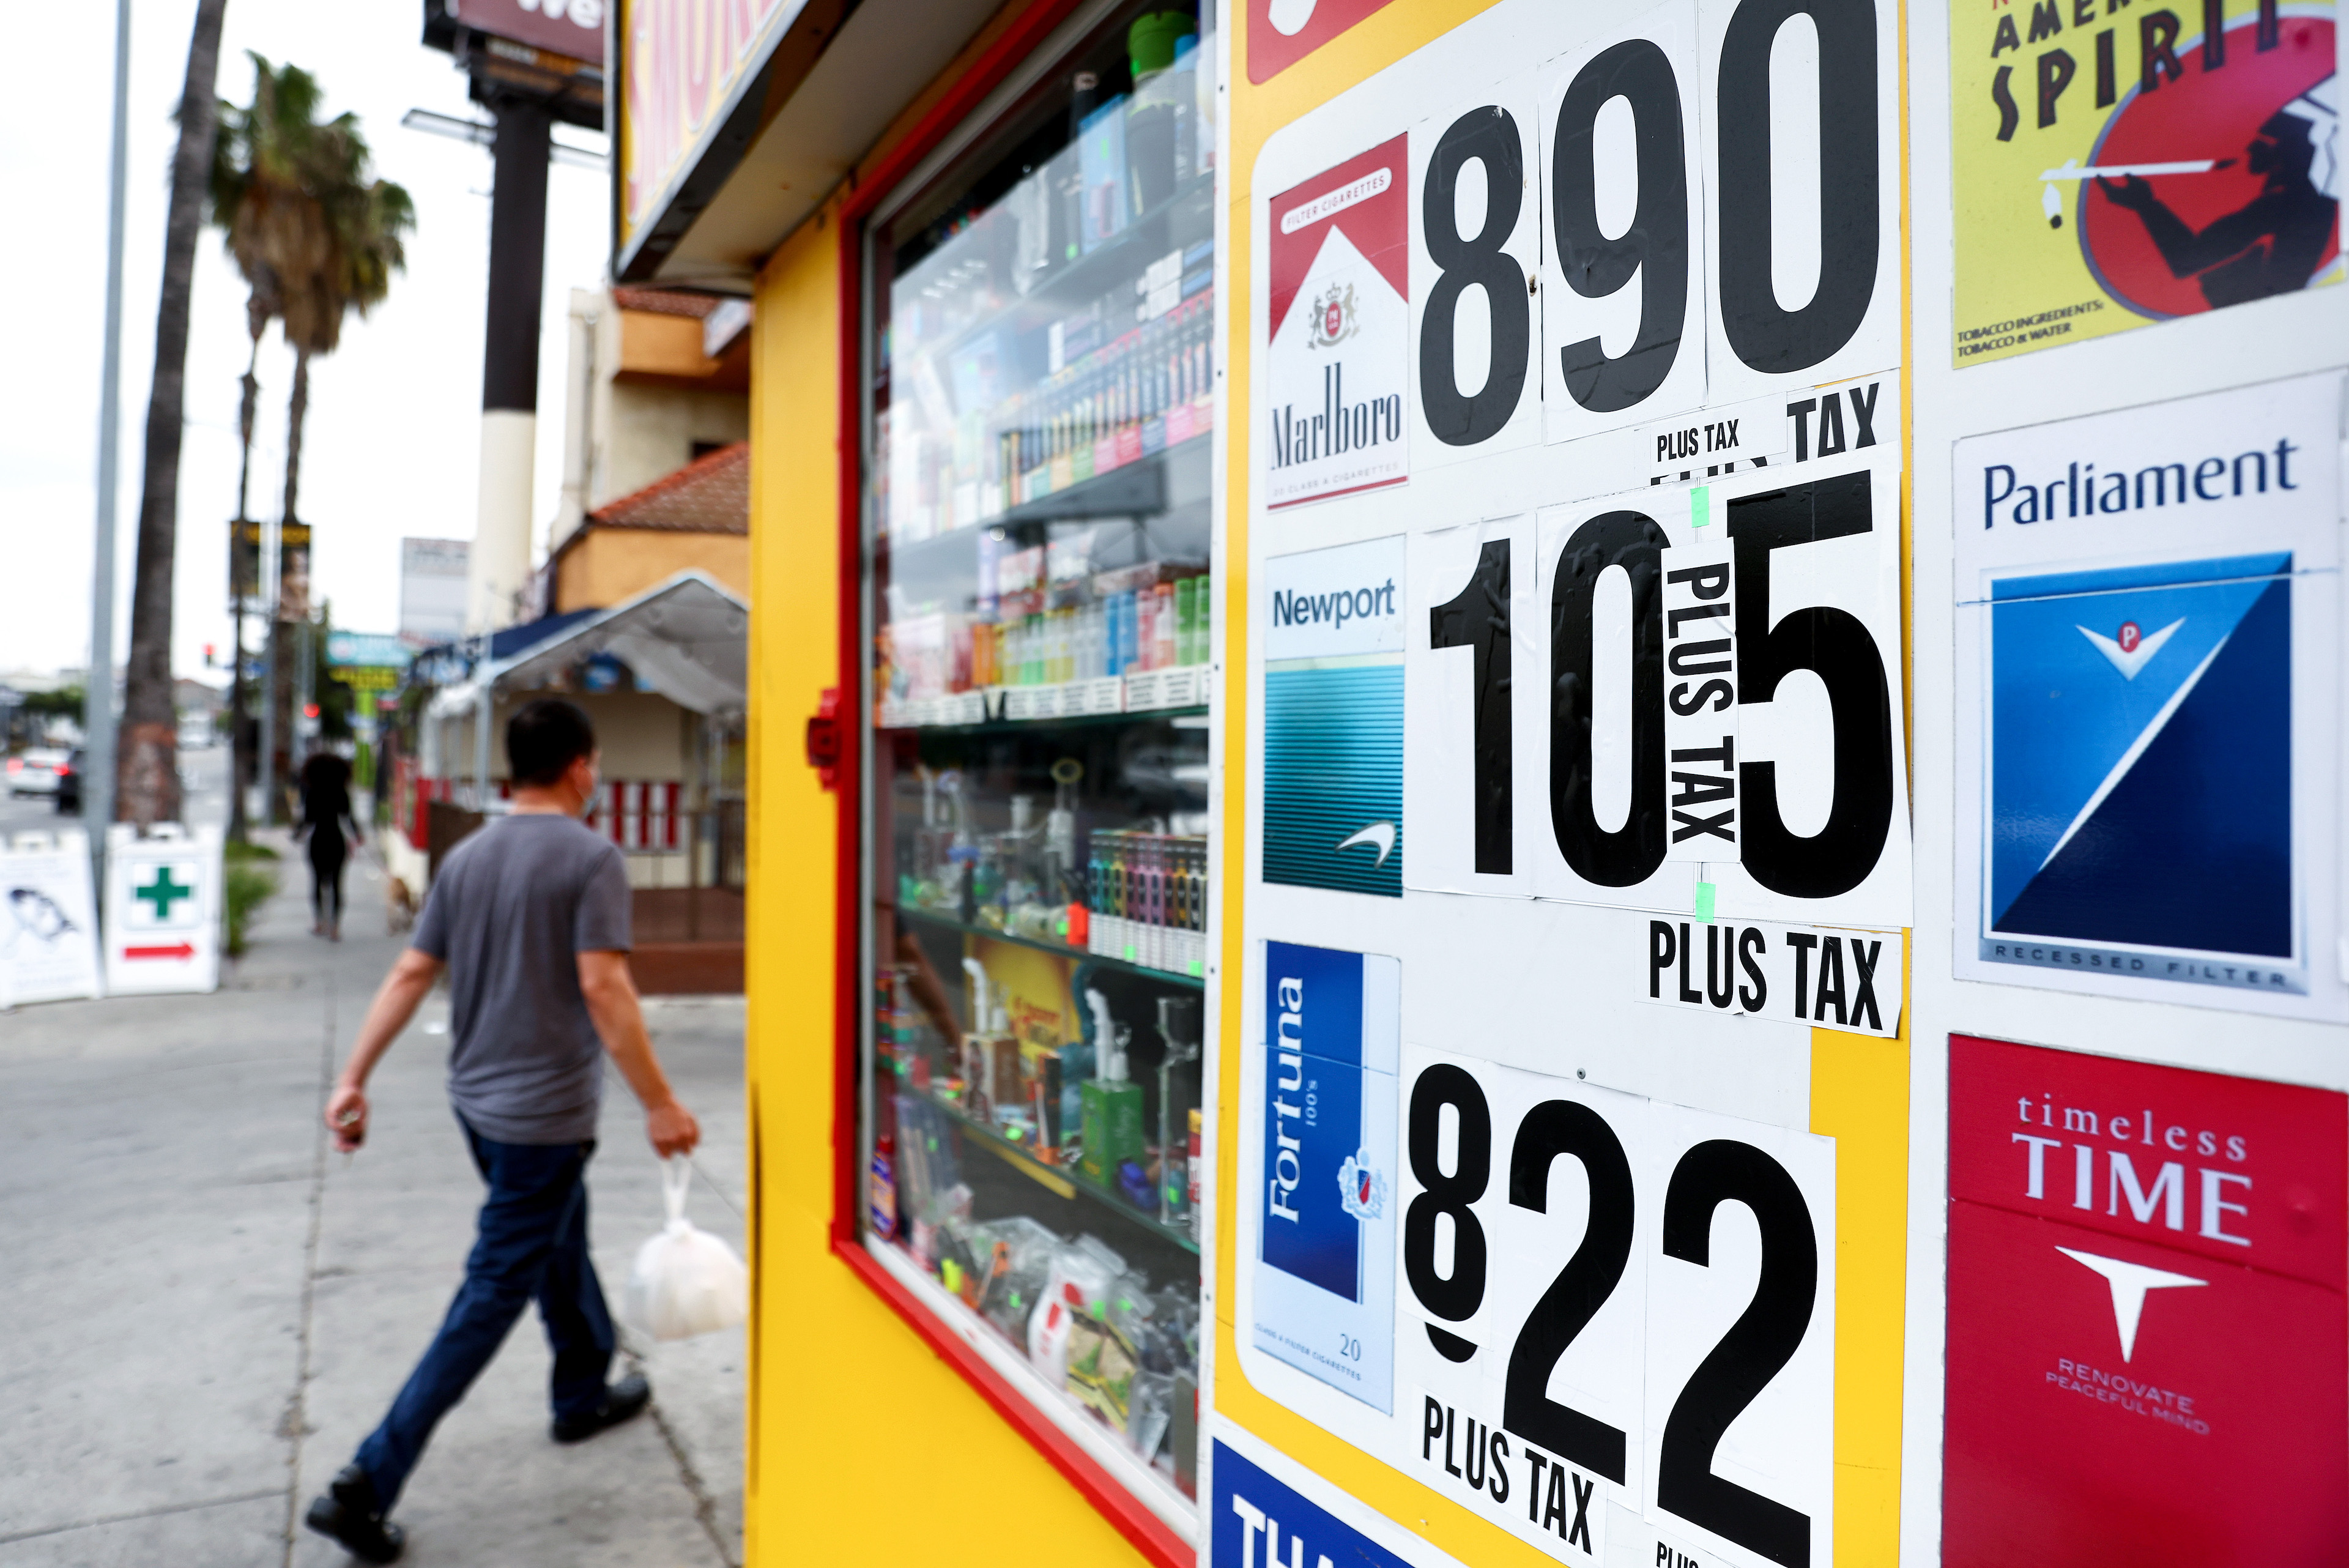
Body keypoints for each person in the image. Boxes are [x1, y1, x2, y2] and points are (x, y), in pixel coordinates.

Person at [303, 698, 700, 1564]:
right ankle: (368, 1480)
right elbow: (605, 989)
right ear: (579, 766)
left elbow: (412, 969)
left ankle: (583, 1386)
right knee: (493, 1290)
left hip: (478, 1106)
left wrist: (353, 1077)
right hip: (543, 1118)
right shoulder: (592, 857)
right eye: (594, 763)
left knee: (558, 1233)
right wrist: (660, 1101)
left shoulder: (469, 853)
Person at [297, 751, 362, 940]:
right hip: (336, 840)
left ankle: (319, 923)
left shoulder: (312, 792)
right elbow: (349, 818)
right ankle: (335, 928)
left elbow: (307, 820)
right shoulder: (341, 792)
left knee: (317, 882)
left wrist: (297, 834)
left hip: (318, 841)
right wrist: (357, 835)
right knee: (337, 884)